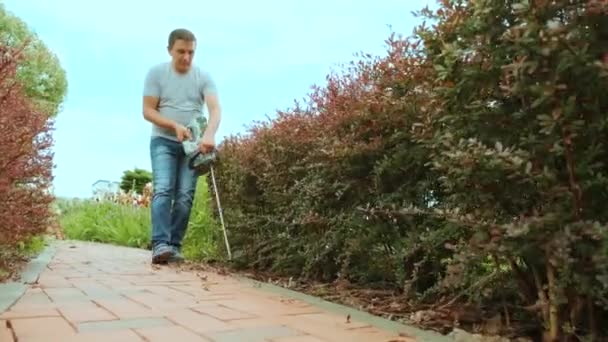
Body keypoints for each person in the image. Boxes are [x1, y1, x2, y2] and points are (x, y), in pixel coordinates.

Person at [142, 28, 221, 264]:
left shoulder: (203, 76)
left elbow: (215, 108)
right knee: (164, 189)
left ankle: (174, 246)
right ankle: (160, 244)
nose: (186, 57)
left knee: (185, 196)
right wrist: (174, 126)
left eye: (191, 52)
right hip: (163, 141)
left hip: (193, 145)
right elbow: (147, 111)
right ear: (169, 50)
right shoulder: (156, 74)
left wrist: (209, 134)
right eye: (181, 52)